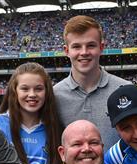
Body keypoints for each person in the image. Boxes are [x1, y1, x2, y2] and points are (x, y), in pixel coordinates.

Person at [54, 15, 130, 150]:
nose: (84, 52)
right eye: (76, 46)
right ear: (67, 51)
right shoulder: (54, 96)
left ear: (101, 47)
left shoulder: (125, 89)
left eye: (91, 45)